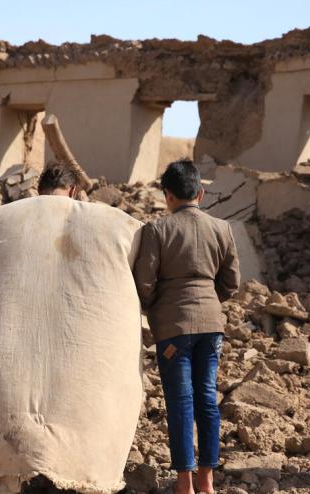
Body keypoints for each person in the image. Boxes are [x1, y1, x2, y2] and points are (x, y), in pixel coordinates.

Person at [134, 159, 240, 494]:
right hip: (211, 328)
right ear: (201, 193)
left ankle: (185, 484)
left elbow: (144, 283)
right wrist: (208, 302)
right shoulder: (222, 229)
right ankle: (207, 481)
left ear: (167, 195)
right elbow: (231, 283)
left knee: (180, 401)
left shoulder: (156, 230)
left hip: (172, 330)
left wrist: (157, 309)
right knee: (207, 399)